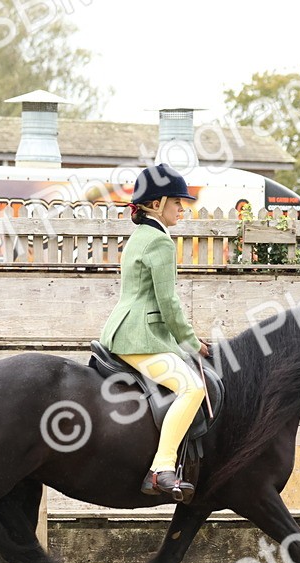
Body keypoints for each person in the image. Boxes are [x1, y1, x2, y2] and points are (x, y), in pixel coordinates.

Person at [100, 164, 209, 500]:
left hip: (123, 329)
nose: (182, 208)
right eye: (178, 202)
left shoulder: (140, 237)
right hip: (140, 336)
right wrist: (192, 343)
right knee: (192, 389)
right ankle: (161, 468)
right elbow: (168, 303)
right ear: (158, 203)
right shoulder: (160, 242)